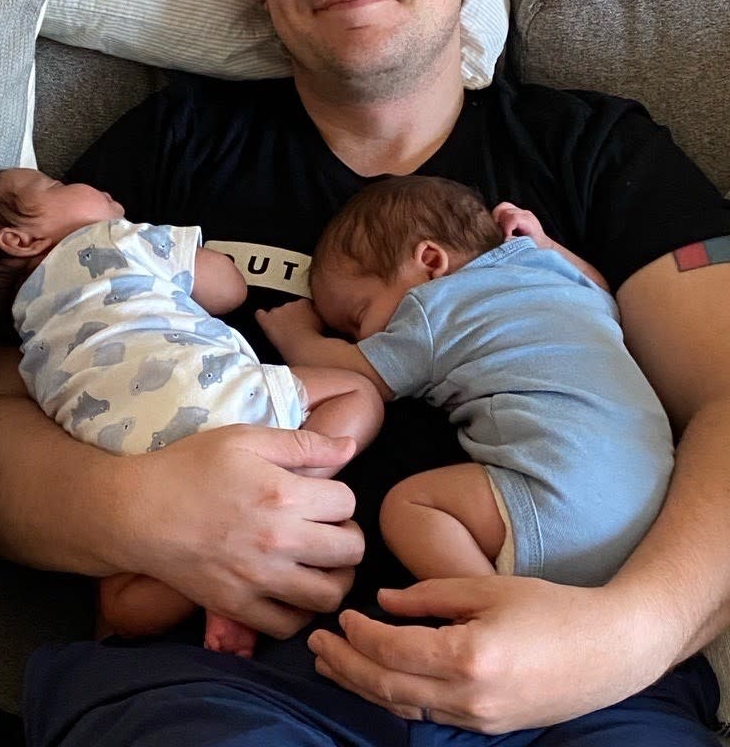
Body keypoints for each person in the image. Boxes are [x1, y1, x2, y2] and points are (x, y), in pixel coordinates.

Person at [0, 0, 729, 747]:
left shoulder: (594, 152)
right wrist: (134, 508)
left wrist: (623, 638)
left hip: (579, 690)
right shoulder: (166, 152)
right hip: (224, 682)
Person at [0, 166, 382, 657]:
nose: (87, 184)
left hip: (135, 456)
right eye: (54, 187)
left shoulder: (27, 338)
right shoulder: (111, 239)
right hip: (223, 400)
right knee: (355, 393)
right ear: (17, 238)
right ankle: (295, 482)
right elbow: (228, 290)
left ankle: (210, 582)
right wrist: (212, 262)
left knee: (124, 606)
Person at [257, 174, 674, 591]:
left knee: (408, 507)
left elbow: (358, 372)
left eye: (360, 316)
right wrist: (545, 241)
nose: (364, 338)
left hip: (559, 507)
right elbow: (602, 291)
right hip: (653, 510)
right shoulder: (548, 270)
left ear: (431, 263)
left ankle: (493, 606)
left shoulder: (432, 308)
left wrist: (296, 335)